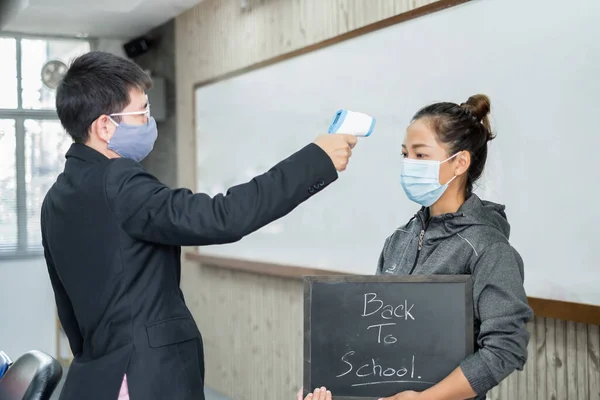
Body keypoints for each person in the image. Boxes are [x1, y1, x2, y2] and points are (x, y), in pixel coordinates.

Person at [41, 51, 358, 400]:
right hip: (143, 379)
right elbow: (222, 217)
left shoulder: (56, 197)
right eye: (141, 112)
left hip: (97, 378)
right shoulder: (118, 180)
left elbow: (68, 308)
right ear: (104, 126)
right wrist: (316, 160)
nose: (149, 121)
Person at [374, 94, 533, 400]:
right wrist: (332, 384)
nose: (408, 165)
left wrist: (424, 399)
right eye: (405, 154)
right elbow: (372, 328)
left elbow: (506, 347)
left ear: (460, 162)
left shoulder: (487, 248)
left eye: (420, 156)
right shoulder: (398, 240)